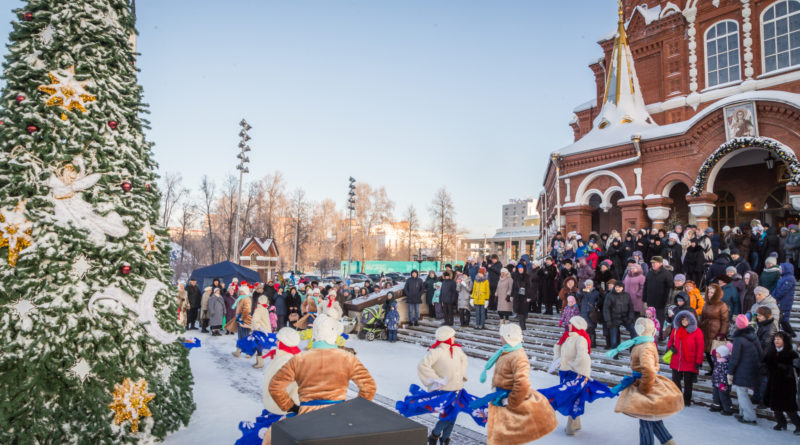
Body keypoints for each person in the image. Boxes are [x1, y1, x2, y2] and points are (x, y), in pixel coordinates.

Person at [268, 314, 376, 416]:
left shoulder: (299, 359)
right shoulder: (348, 358)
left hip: (307, 416)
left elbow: (275, 386)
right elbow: (369, 387)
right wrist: (353, 409)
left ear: (314, 334)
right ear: (334, 334)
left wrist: (291, 407)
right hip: (338, 414)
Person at [396, 326, 479, 445]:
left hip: (458, 390)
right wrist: (436, 380)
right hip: (445, 391)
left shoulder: (456, 350)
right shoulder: (437, 351)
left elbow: (464, 360)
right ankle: (435, 435)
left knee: (453, 416)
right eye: (453, 336)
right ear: (447, 338)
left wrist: (462, 375)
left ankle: (445, 439)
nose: (455, 338)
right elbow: (423, 366)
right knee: (447, 416)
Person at [607, 318, 683, 445]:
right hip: (645, 382)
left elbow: (648, 369)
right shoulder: (644, 344)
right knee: (652, 417)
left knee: (645, 420)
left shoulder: (645, 347)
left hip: (646, 384)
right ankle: (668, 442)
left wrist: (644, 388)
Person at [478, 324, 557, 444]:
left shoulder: (518, 356)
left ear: (509, 337)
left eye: (502, 336)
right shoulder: (506, 351)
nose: (500, 338)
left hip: (508, 400)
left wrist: (511, 401)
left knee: (507, 432)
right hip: (500, 396)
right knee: (498, 429)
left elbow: (522, 383)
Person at [540, 316, 615, 436]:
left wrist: (576, 368)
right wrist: (558, 350)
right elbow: (561, 354)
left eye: (570, 323)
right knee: (573, 397)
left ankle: (571, 425)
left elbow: (583, 357)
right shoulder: (568, 337)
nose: (568, 325)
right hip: (565, 372)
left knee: (573, 397)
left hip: (575, 373)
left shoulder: (580, 339)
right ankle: (576, 423)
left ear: (576, 325)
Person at [763, 331, 800, 434]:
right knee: (775, 406)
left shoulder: (792, 354)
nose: (776, 341)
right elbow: (764, 364)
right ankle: (781, 423)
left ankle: (798, 425)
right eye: (775, 339)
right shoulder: (771, 352)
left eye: (779, 339)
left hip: (787, 384)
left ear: (784, 341)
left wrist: (786, 368)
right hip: (774, 383)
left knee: (789, 407)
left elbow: (797, 369)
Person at [728, 314, 763, 425]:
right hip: (752, 368)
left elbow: (735, 357)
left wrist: (730, 372)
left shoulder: (738, 339)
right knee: (742, 392)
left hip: (742, 369)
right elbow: (760, 352)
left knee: (741, 393)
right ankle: (742, 413)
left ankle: (750, 417)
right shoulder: (753, 335)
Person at [665, 310, 704, 406]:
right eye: (683, 319)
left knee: (688, 383)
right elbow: (670, 342)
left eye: (686, 320)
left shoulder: (697, 331)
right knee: (675, 381)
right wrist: (671, 347)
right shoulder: (676, 330)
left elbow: (700, 347)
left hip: (689, 360)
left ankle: (686, 400)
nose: (684, 321)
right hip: (676, 359)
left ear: (690, 320)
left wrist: (698, 361)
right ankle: (678, 398)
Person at [699, 284, 729, 375]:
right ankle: (712, 369)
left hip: (716, 331)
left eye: (712, 292)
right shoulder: (706, 303)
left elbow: (725, 320)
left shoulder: (722, 305)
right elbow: (702, 317)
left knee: (714, 352)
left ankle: (717, 370)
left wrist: (722, 333)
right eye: (709, 292)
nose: (710, 294)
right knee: (707, 351)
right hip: (705, 329)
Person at [643, 256, 672, 340]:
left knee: (659, 319)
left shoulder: (666, 274)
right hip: (650, 300)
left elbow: (669, 288)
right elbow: (646, 286)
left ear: (660, 263)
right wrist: (644, 299)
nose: (653, 264)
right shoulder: (649, 273)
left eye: (655, 263)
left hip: (661, 302)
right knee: (649, 318)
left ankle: (658, 335)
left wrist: (665, 301)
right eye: (652, 263)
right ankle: (649, 334)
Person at [603, 281, 636, 350]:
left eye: (620, 287)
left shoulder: (626, 295)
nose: (618, 289)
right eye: (617, 287)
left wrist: (630, 318)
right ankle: (615, 352)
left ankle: (633, 348)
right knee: (614, 337)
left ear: (622, 288)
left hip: (625, 318)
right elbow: (606, 309)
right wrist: (608, 320)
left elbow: (631, 307)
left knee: (634, 331)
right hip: (614, 318)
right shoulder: (610, 295)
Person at [709, 343, 735, 416]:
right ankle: (716, 406)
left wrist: (724, 383)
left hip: (723, 384)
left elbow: (725, 374)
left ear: (722, 354)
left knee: (724, 396)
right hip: (716, 382)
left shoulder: (726, 363)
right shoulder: (718, 360)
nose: (716, 354)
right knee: (715, 395)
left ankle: (728, 409)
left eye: (718, 353)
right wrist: (713, 354)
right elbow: (713, 359)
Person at [232, 287, 254, 358]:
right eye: (240, 291)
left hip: (244, 320)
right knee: (240, 336)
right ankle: (238, 351)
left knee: (245, 336)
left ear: (245, 292)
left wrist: (242, 318)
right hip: (240, 319)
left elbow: (247, 310)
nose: (240, 292)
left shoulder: (246, 299)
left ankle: (249, 352)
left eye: (241, 291)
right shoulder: (240, 298)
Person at [578, 279, 601, 345]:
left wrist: (596, 304)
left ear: (592, 285)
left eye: (590, 285)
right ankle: (586, 342)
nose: (588, 286)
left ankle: (593, 342)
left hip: (592, 312)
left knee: (592, 327)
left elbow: (599, 300)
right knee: (585, 328)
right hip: (584, 311)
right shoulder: (583, 291)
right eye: (587, 285)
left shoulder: (596, 292)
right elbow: (578, 296)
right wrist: (580, 291)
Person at [511, 263, 531, 330]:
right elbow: (513, 286)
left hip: (524, 296)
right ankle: (522, 326)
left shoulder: (527, 276)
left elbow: (529, 287)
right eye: (519, 269)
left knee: (523, 311)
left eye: (521, 268)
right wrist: (511, 295)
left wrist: (529, 296)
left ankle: (523, 327)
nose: (520, 270)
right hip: (517, 296)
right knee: (519, 312)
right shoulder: (516, 276)